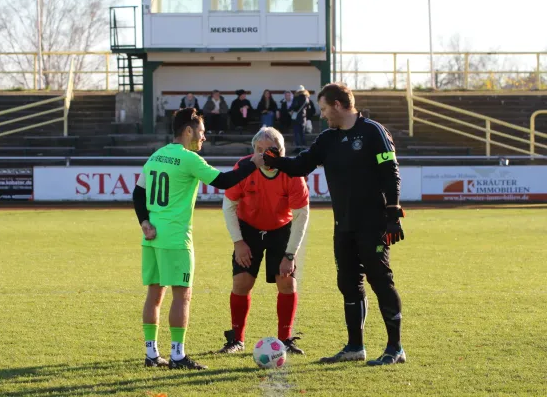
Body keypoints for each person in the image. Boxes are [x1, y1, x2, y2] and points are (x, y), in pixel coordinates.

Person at [261, 82, 406, 366]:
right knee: (348, 283)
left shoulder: (373, 132)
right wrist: (274, 161)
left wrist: (393, 215)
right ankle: (355, 347)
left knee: (381, 281)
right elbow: (302, 164)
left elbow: (391, 173)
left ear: (338, 105)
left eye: (325, 108)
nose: (323, 114)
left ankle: (395, 347)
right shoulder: (328, 139)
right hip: (344, 224)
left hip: (373, 223)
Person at [132, 107, 265, 370]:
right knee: (182, 295)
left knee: (154, 294)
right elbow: (225, 181)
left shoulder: (156, 156)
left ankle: (151, 354)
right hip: (175, 239)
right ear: (189, 130)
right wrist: (254, 162)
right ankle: (178, 356)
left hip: (153, 237)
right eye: (202, 133)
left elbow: (138, 193)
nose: (204, 138)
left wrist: (144, 222)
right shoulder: (188, 158)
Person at [217, 127, 310, 355]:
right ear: (253, 152)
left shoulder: (293, 173)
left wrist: (289, 255)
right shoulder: (244, 167)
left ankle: (285, 340)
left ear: (281, 152)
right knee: (241, 283)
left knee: (287, 282)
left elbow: (301, 216)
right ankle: (236, 340)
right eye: (259, 150)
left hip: (281, 229)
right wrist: (239, 242)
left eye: (270, 151)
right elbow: (228, 205)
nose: (264, 155)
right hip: (248, 230)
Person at [289, 86, 310, 153]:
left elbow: (294, 106)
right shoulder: (307, 98)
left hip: (296, 117)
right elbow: (309, 108)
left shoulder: (296, 97)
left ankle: (298, 148)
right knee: (302, 133)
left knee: (296, 133)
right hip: (303, 117)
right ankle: (304, 148)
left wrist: (291, 110)